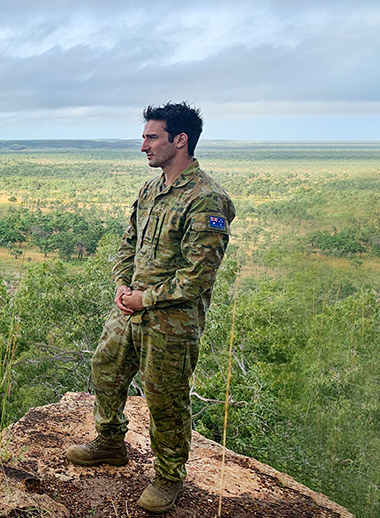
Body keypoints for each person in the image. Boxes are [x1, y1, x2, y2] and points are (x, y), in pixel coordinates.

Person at [65, 102, 235, 514]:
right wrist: (123, 284)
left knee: (165, 398)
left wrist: (147, 298)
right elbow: (129, 243)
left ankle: (169, 477)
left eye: (151, 137)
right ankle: (109, 442)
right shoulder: (152, 190)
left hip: (171, 322)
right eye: (144, 136)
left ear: (181, 141)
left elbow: (198, 276)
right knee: (106, 369)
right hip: (131, 309)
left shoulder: (207, 199)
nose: (143, 145)